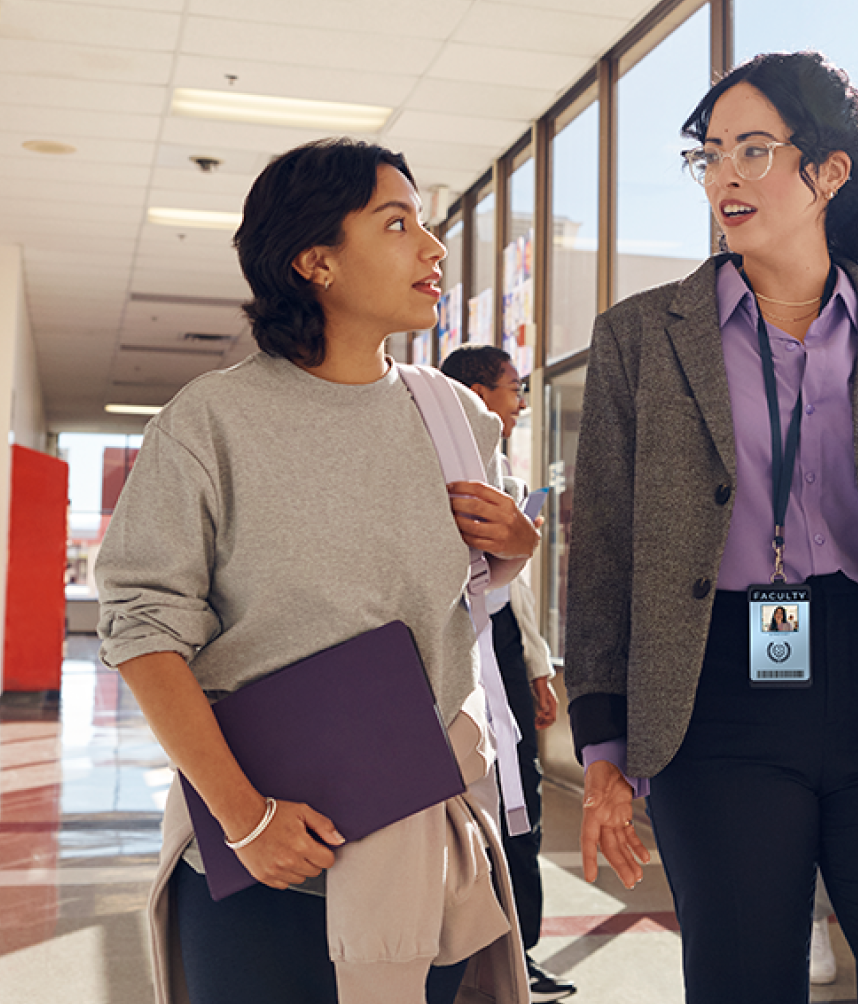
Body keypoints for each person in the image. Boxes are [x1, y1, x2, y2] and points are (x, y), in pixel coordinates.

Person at [563, 51, 858, 1003]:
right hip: (717, 705)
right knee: (742, 982)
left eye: (754, 150)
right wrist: (604, 750)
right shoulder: (641, 336)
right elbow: (606, 550)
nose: (726, 176)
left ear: (828, 173)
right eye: (710, 155)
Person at [98, 138, 542, 1004]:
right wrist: (245, 817)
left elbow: (451, 598)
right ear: (315, 261)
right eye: (397, 223)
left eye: (428, 224)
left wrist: (513, 553)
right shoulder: (210, 423)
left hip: (420, 836)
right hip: (264, 843)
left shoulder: (454, 417)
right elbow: (143, 630)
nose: (433, 247)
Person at [440, 344, 579, 1002]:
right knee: (470, 807)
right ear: (474, 394)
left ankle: (518, 952)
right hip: (455, 655)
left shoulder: (504, 473)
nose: (521, 403)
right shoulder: (444, 469)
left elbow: (513, 592)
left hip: (503, 651)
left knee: (521, 805)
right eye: (513, 389)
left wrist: (536, 665)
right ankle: (462, 955)